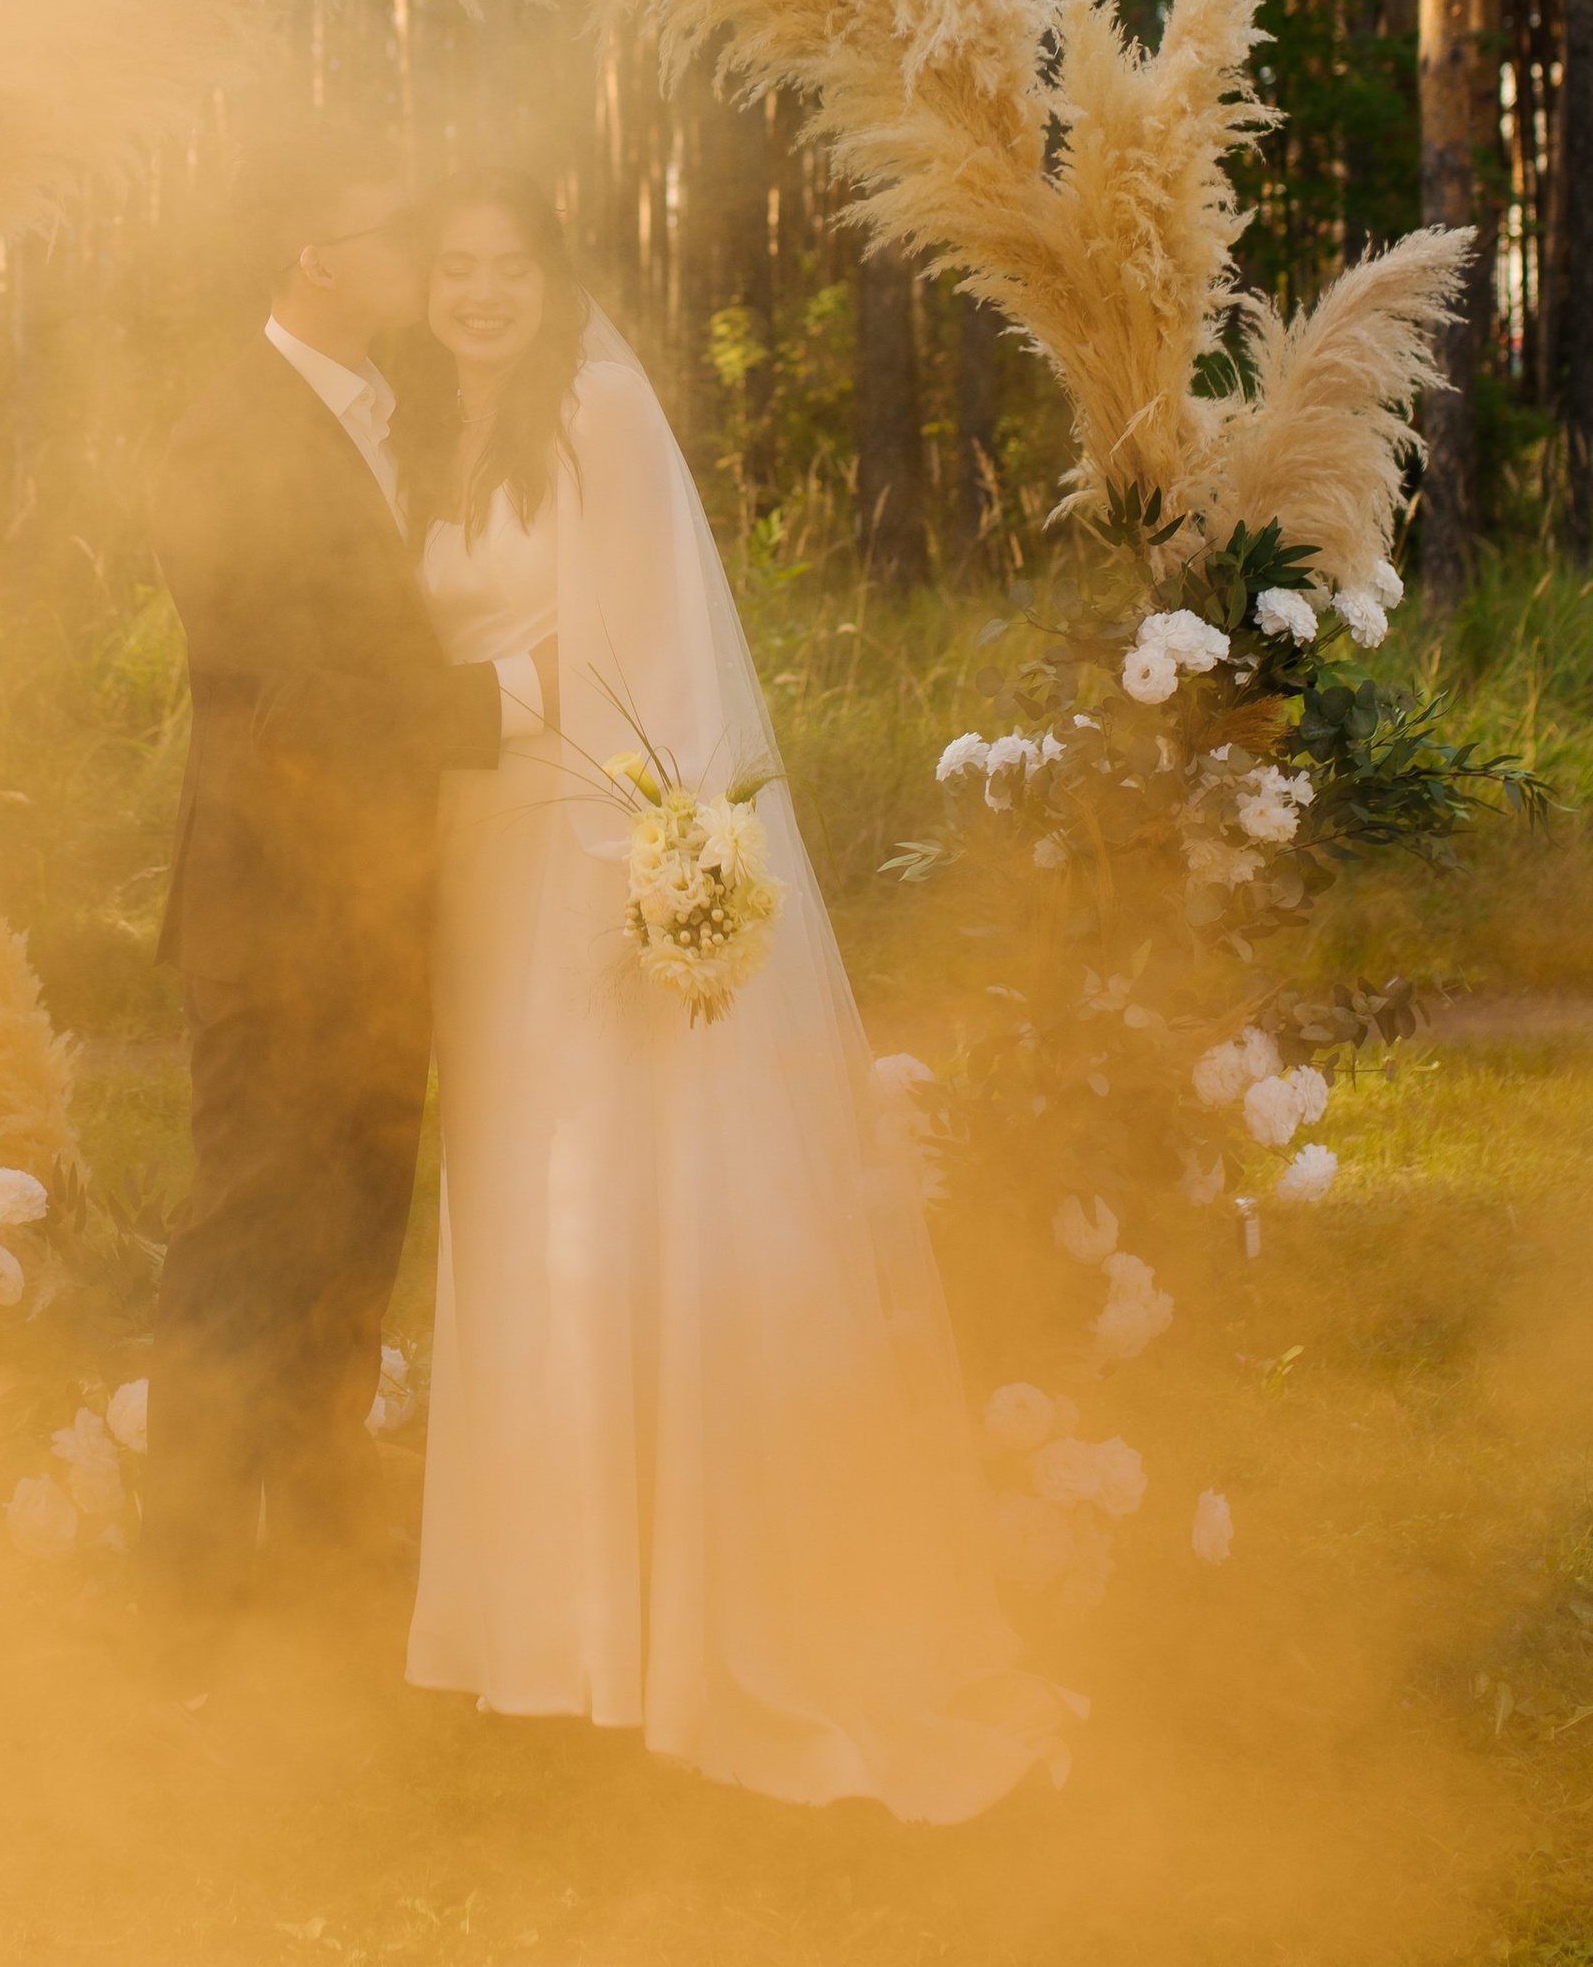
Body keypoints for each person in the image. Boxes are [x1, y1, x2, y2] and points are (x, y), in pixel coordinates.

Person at [395, 169, 1077, 1820]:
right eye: (454, 263)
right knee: (517, 1229)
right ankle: (543, 1635)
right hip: (476, 868)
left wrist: (661, 867)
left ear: (550, 270)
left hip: (578, 865)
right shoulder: (430, 425)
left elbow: (654, 661)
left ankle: (656, 1638)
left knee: (606, 1222)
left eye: (504, 263)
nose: (478, 290)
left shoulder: (598, 414)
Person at [147, 133, 556, 1637]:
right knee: (245, 1249)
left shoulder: (398, 413)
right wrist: (509, 697)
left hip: (386, 907)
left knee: (353, 1247)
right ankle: (184, 1609)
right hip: (274, 917)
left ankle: (320, 1565)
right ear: (315, 258)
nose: (422, 250)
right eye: (394, 231)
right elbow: (290, 702)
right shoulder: (223, 441)